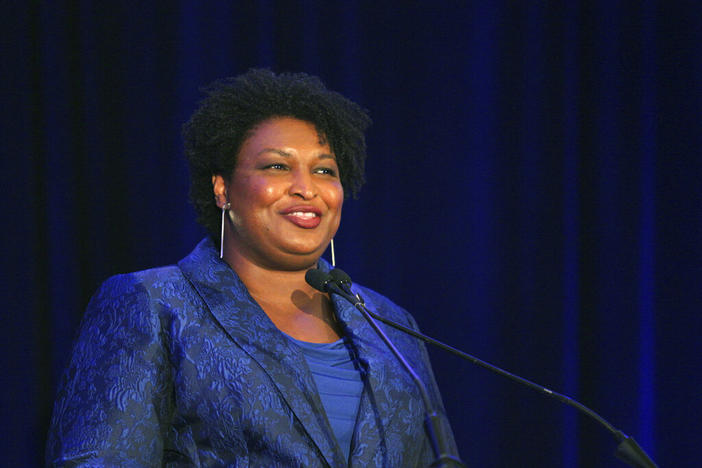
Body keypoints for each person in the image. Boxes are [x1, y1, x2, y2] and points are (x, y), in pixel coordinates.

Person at [46, 69, 458, 467]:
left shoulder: (389, 326)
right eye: (277, 166)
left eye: (324, 170)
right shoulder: (152, 304)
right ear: (222, 188)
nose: (306, 187)